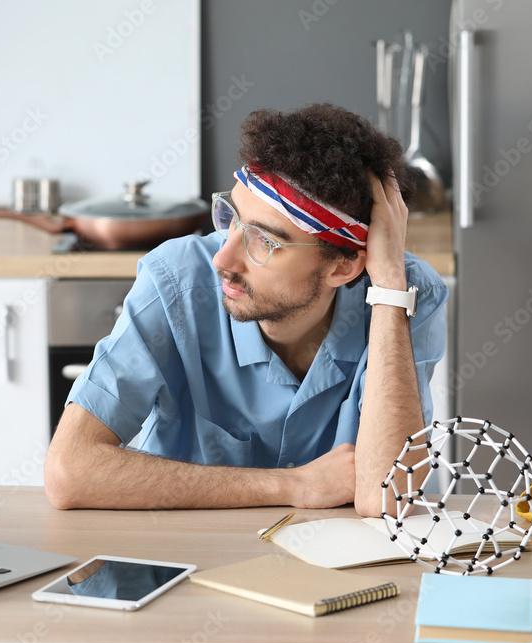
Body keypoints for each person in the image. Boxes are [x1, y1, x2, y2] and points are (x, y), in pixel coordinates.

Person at [44, 103, 447, 516]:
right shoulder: (177, 282)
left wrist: (390, 292)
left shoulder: (405, 292)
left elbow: (388, 500)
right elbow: (69, 470)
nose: (223, 259)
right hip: (186, 557)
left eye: (263, 242)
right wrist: (291, 485)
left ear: (343, 266)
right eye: (231, 218)